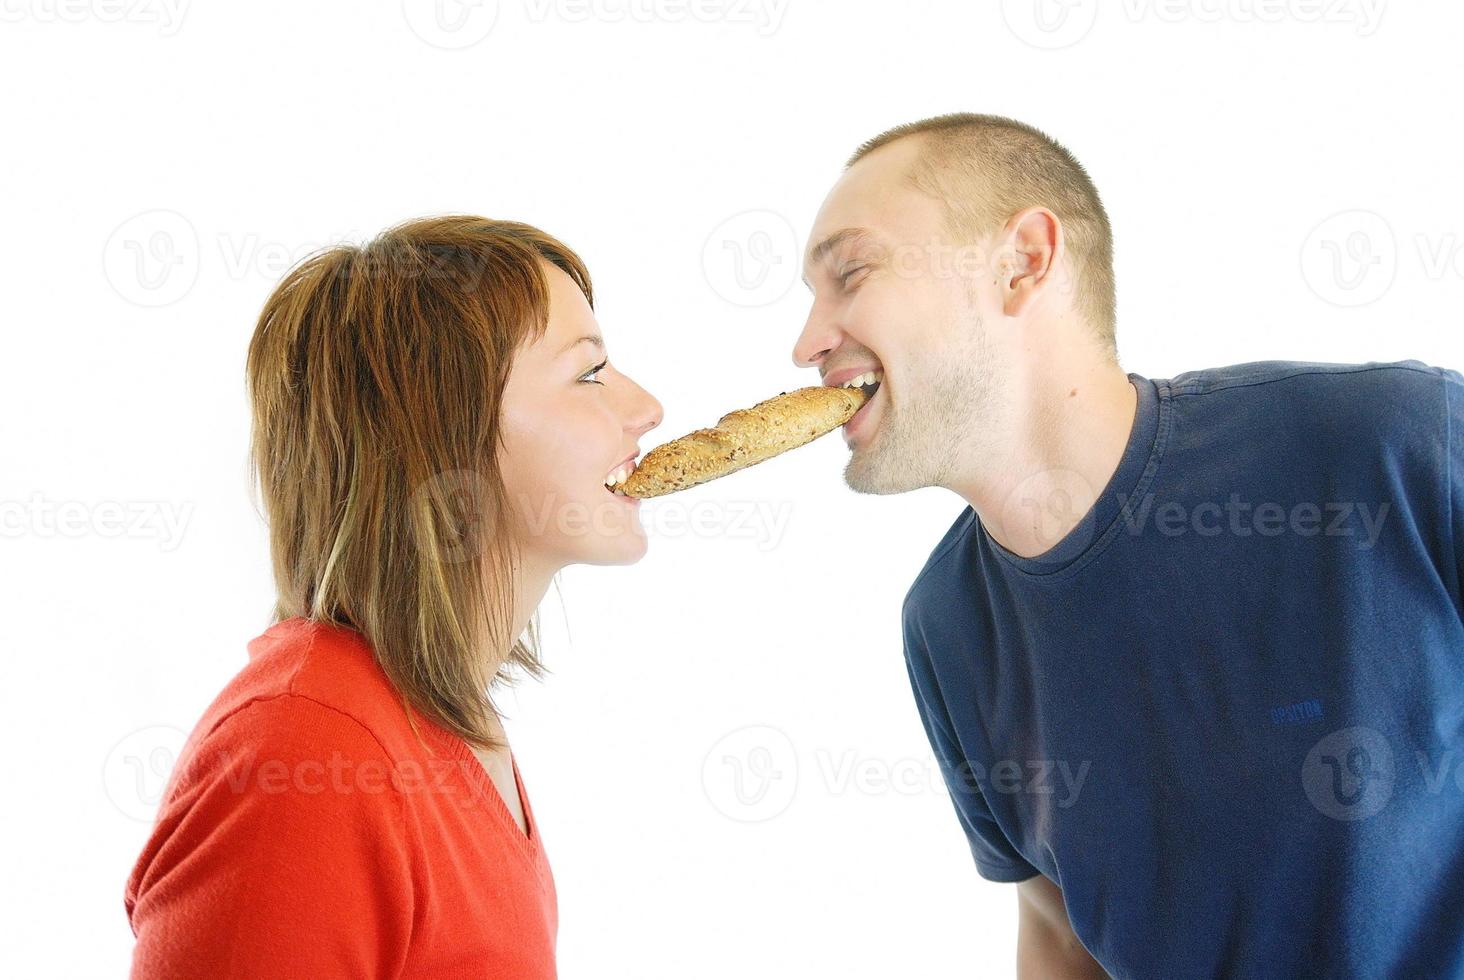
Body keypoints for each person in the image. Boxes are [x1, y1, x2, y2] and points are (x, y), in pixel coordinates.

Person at [792, 112, 1464, 978]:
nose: (807, 342)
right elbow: (1057, 935)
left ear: (1021, 262)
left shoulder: (1391, 444)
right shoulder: (945, 624)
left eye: (851, 273)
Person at [123, 215, 663, 978]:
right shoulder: (303, 753)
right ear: (442, 432)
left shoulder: (450, 724)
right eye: (588, 373)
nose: (648, 408)